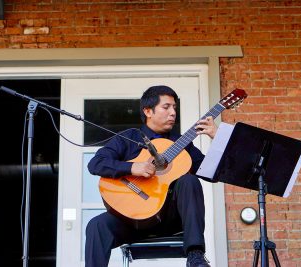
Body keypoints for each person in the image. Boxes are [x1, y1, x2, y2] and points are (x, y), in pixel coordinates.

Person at [86, 85, 217, 267]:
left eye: (174, 108)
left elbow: (213, 173)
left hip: (169, 220)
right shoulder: (129, 137)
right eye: (166, 107)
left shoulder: (181, 144)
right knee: (96, 225)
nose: (173, 113)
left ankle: (195, 256)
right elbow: (96, 163)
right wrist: (133, 168)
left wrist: (217, 137)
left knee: (189, 180)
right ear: (148, 111)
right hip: (131, 220)